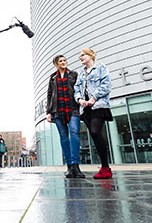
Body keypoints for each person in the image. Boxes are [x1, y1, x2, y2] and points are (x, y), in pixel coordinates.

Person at [74, 48, 113, 179]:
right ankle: (104, 167)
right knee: (94, 135)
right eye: (80, 56)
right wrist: (80, 100)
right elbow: (76, 89)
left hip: (98, 105)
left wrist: (93, 98)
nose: (80, 57)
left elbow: (106, 85)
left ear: (91, 55)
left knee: (96, 132)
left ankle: (106, 167)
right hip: (86, 109)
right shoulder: (81, 74)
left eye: (82, 55)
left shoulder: (101, 68)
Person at [46, 54, 85, 178]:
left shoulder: (74, 74)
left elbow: (79, 89)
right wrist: (48, 112)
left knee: (74, 132)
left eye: (64, 60)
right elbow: (49, 95)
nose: (63, 62)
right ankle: (69, 167)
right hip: (57, 110)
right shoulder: (53, 78)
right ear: (56, 64)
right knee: (63, 137)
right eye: (60, 61)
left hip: (72, 108)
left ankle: (76, 165)